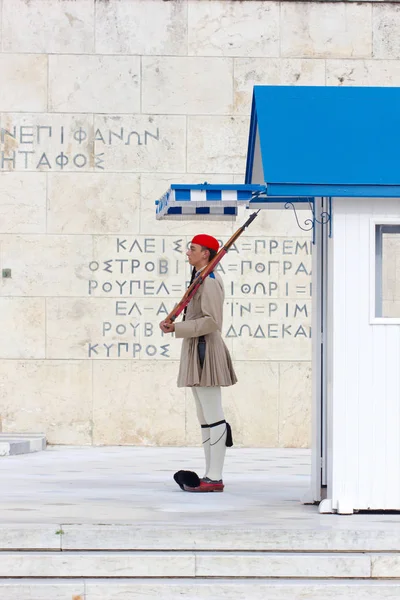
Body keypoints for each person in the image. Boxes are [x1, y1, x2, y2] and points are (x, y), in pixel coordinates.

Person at [160, 234, 237, 493]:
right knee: (204, 416)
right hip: (196, 346)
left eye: (192, 249)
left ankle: (215, 477)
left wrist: (178, 327)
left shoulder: (211, 281)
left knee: (214, 416)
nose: (187, 253)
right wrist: (172, 322)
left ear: (206, 253)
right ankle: (209, 474)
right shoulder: (199, 278)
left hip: (206, 348)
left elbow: (213, 321)